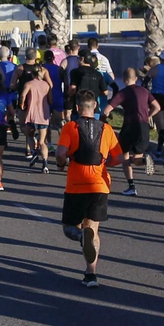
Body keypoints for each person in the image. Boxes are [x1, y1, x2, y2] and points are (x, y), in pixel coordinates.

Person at [56, 91, 122, 288]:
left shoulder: (70, 127)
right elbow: (118, 158)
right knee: (92, 229)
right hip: (100, 186)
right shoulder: (107, 128)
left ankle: (80, 237)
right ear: (95, 107)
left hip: (76, 185)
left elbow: (60, 153)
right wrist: (103, 164)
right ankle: (91, 274)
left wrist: (61, 163)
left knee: (69, 228)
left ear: (77, 108)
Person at [105, 66, 159, 195]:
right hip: (143, 126)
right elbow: (157, 106)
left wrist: (104, 119)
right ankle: (145, 160)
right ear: (136, 79)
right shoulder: (145, 91)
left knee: (125, 157)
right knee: (137, 158)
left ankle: (131, 185)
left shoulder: (123, 93)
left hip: (129, 127)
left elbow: (107, 110)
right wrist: (148, 115)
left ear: (124, 80)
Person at [19, 59, 53, 170]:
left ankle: (33, 152)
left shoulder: (28, 84)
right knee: (43, 142)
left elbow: (23, 95)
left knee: (29, 135)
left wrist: (22, 104)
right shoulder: (47, 85)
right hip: (43, 115)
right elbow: (50, 100)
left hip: (31, 114)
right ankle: (45, 163)